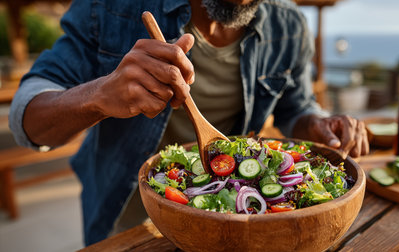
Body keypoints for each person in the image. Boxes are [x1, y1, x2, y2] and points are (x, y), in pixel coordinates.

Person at [9, 0, 369, 245]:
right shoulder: (109, 7)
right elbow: (27, 120)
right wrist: (100, 95)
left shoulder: (288, 23)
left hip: (230, 227)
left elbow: (296, 108)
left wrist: (320, 123)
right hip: (123, 222)